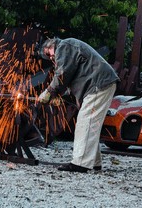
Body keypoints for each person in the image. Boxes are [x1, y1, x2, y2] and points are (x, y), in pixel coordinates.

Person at [37, 37, 119, 173]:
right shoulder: (68, 47)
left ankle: (80, 163)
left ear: (52, 45)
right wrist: (58, 96)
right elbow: (70, 79)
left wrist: (49, 92)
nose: (51, 57)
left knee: (85, 122)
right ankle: (94, 163)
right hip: (100, 84)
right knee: (91, 125)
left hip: (98, 85)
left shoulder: (64, 46)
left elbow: (62, 74)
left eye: (49, 53)